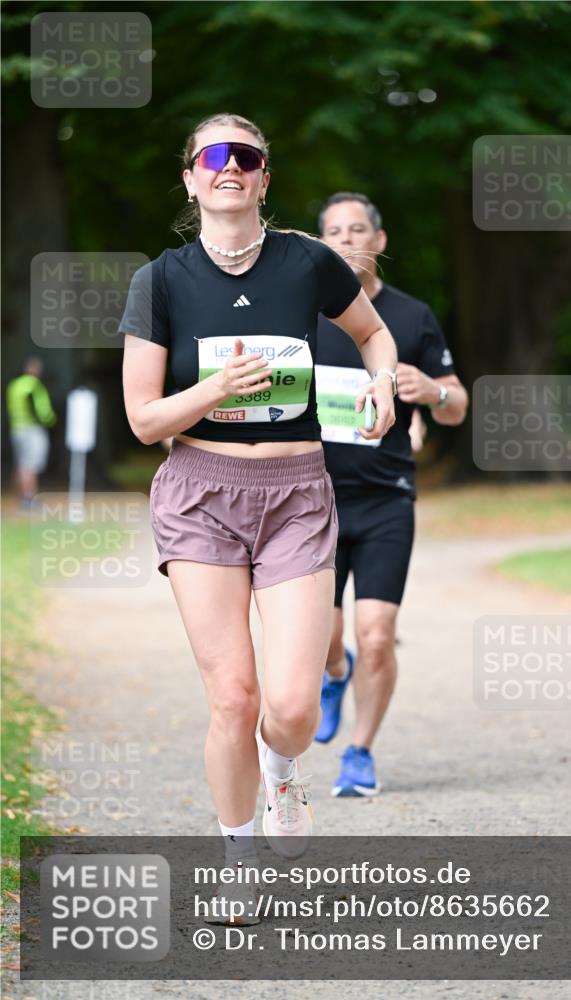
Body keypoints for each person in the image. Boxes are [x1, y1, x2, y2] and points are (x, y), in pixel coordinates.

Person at [120, 115, 397, 923]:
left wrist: (380, 384)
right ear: (191, 178)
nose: (229, 167)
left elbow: (374, 336)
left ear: (264, 177)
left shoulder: (307, 261)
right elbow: (143, 419)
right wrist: (215, 391)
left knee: (293, 708)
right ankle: (236, 854)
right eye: (213, 156)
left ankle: (282, 774)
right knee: (233, 699)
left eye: (246, 156)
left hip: (297, 494)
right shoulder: (161, 279)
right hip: (200, 492)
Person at [314, 192, 468, 796]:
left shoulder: (411, 316)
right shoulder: (301, 314)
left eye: (358, 230)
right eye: (334, 231)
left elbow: (457, 406)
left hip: (385, 499)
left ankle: (360, 752)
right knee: (325, 641)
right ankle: (333, 674)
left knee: (376, 634)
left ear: (379, 241)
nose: (347, 240)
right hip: (311, 502)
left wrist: (432, 391)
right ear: (319, 243)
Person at [6, 356, 57, 509]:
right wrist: (51, 421)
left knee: (21, 463)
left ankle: (21, 495)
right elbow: (41, 409)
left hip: (16, 429)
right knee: (31, 464)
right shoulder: (33, 385)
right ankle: (30, 497)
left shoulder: (14, 385)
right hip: (32, 429)